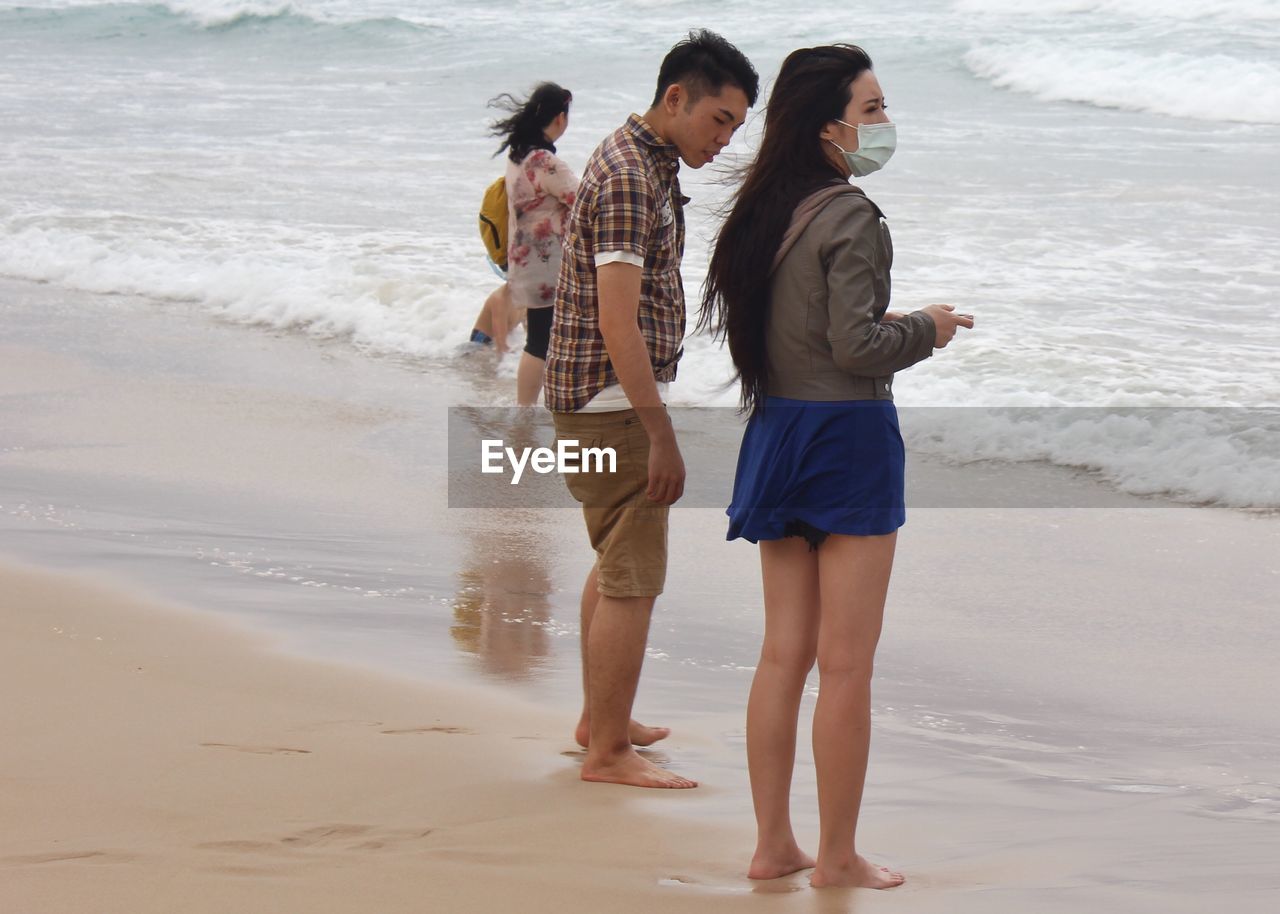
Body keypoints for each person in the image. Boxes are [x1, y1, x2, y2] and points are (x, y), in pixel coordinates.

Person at [700, 45, 973, 886]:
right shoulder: (851, 214)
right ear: (830, 126)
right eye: (874, 109)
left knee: (784, 653)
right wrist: (926, 326)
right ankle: (839, 856)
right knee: (846, 663)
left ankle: (774, 844)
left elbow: (805, 331)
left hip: (776, 430)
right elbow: (857, 348)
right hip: (847, 441)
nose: (885, 124)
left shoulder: (759, 212)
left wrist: (883, 324)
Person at [544, 30, 759, 789]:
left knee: (615, 562)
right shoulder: (633, 175)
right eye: (720, 119)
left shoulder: (637, 158)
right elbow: (617, 321)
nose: (726, 138)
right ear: (676, 98)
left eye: (736, 125)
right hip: (611, 405)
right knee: (634, 577)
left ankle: (600, 720)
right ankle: (606, 754)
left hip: (595, 397)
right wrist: (660, 434)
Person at [482, 82, 578, 404]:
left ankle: (528, 410)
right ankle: (526, 413)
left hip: (525, 265)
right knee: (541, 344)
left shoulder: (518, 154)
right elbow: (583, 200)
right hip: (548, 269)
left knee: (538, 340)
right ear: (560, 119)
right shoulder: (544, 161)